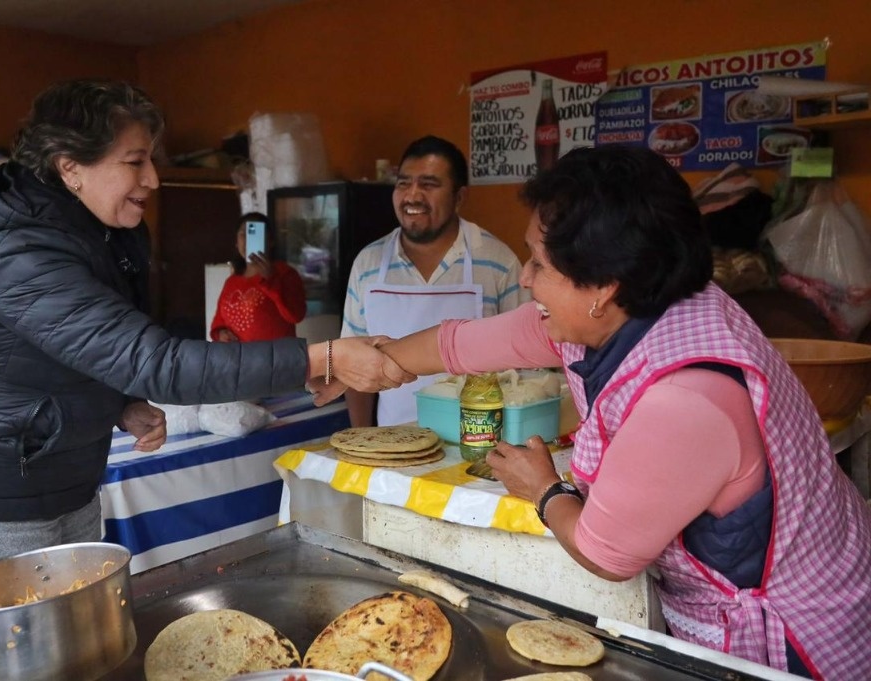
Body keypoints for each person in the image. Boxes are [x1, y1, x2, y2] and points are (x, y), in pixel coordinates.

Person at [323, 145, 871, 679]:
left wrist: (543, 488)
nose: (525, 278)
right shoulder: (640, 306)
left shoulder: (686, 399)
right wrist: (368, 361)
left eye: (539, 264)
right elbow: (460, 345)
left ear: (603, 287)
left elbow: (607, 552)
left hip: (794, 641)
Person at [0, 78, 413, 590]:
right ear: (70, 166)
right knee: (5, 652)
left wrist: (120, 401)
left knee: (66, 635)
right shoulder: (21, 256)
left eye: (150, 159)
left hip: (63, 470)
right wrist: (324, 357)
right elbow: (157, 362)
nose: (152, 178)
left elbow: (94, 340)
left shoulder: (101, 230)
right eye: (134, 162)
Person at [339, 135, 528, 427]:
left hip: (479, 447)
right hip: (392, 444)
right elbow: (351, 367)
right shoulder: (368, 264)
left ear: (459, 197)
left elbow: (527, 365)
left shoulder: (497, 262)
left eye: (429, 184)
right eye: (403, 183)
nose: (412, 196)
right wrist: (361, 439)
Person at [210, 212, 306, 342]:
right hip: (238, 358)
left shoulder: (285, 273)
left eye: (254, 234)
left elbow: (295, 316)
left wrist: (271, 280)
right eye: (243, 234)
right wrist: (221, 334)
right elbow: (219, 322)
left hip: (276, 359)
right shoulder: (231, 281)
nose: (248, 239)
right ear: (236, 243)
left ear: (270, 241)